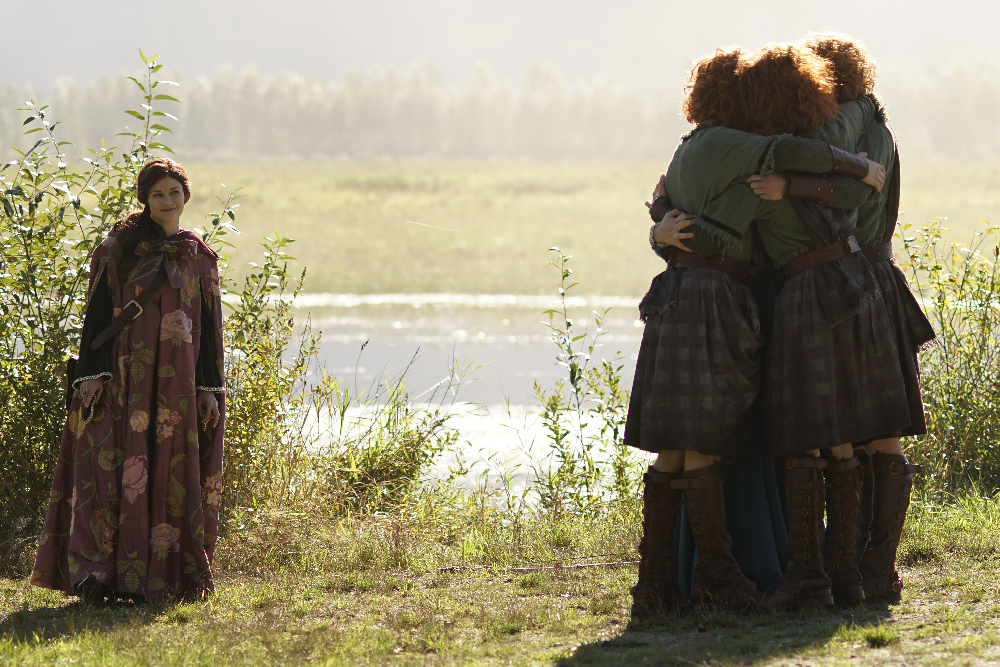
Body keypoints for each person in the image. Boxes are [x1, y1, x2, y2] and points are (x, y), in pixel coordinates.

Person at [649, 44, 914, 608]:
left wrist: (667, 228)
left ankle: (825, 576)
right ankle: (854, 574)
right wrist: (664, 220)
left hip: (821, 288)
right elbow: (849, 186)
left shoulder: (794, 153)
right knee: (854, 431)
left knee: (825, 434)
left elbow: (728, 223)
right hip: (864, 281)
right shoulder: (866, 130)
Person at [31, 158, 226, 604]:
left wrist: (209, 388)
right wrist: (92, 375)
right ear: (145, 199)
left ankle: (168, 576)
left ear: (186, 196)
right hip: (121, 377)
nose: (166, 201)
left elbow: (211, 328)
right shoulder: (117, 247)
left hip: (175, 385)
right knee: (106, 472)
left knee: (167, 471)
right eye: (157, 194)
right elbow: (97, 315)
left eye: (173, 192)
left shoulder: (198, 254)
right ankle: (97, 577)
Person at [800, 34, 932, 604]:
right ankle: (874, 571)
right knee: (879, 432)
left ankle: (855, 571)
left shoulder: (847, 121)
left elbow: (835, 184)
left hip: (852, 279)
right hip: (877, 274)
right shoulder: (876, 119)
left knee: (852, 430)